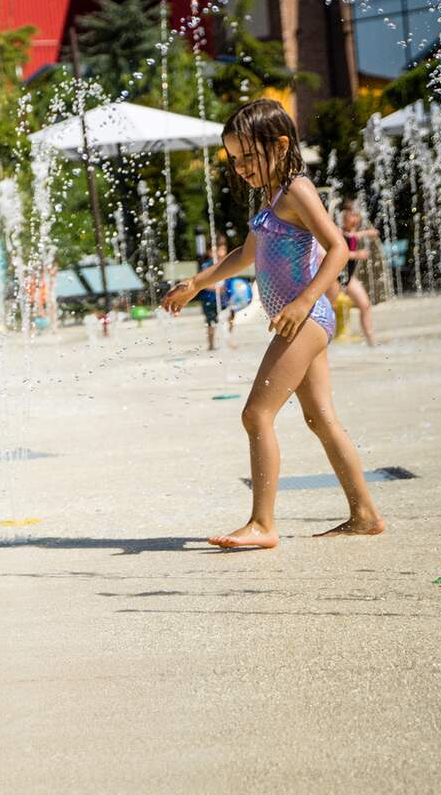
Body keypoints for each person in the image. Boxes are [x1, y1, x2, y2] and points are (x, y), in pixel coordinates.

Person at [162, 99, 386, 549]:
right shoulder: (271, 197)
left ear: (280, 146)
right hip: (299, 319)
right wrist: (197, 283)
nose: (241, 167)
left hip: (303, 320)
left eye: (248, 156)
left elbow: (338, 248)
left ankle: (262, 524)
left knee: (256, 413)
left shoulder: (298, 190)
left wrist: (303, 303)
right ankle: (364, 514)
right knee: (321, 418)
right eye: (235, 159)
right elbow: (246, 255)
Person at [324, 197, 378, 346]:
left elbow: (354, 236)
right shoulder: (337, 232)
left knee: (365, 305)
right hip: (334, 277)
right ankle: (322, 344)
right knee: (328, 310)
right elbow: (337, 252)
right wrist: (356, 254)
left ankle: (371, 342)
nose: (355, 219)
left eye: (357, 215)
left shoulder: (352, 233)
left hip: (348, 278)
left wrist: (368, 233)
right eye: (352, 215)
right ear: (343, 216)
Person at [197, 257, 224, 350]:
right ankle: (211, 343)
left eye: (224, 248)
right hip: (209, 299)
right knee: (211, 322)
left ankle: (229, 340)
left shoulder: (225, 263)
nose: (222, 252)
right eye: (220, 248)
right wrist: (216, 289)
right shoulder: (206, 266)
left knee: (230, 316)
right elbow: (202, 283)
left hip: (222, 298)